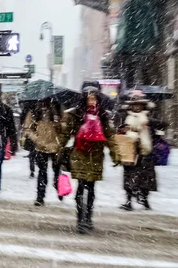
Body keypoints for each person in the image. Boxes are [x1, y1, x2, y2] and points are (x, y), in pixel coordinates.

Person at [60, 87, 118, 234]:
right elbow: (65, 134)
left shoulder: (103, 116)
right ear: (84, 100)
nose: (92, 101)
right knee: (80, 186)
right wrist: (58, 149)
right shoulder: (75, 114)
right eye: (89, 98)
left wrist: (115, 153)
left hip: (96, 156)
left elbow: (110, 136)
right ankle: (80, 219)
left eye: (94, 98)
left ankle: (88, 218)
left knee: (91, 188)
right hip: (79, 154)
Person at [119, 94, 156, 211]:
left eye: (139, 104)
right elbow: (120, 129)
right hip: (130, 151)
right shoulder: (126, 116)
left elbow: (160, 125)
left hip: (144, 151)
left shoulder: (147, 117)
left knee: (145, 178)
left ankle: (144, 200)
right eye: (135, 105)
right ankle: (129, 200)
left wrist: (147, 122)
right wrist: (127, 131)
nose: (137, 107)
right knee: (129, 177)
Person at [23, 98, 63, 206]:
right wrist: (36, 139)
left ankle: (59, 186)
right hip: (41, 147)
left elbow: (64, 129)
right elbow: (27, 129)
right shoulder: (34, 112)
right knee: (42, 172)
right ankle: (40, 197)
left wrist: (57, 122)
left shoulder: (58, 111)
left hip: (55, 147)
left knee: (56, 171)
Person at [20, 102, 37, 178]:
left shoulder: (27, 109)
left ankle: (32, 170)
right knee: (34, 154)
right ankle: (33, 170)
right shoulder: (33, 111)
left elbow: (23, 122)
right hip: (35, 135)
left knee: (32, 154)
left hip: (32, 135)